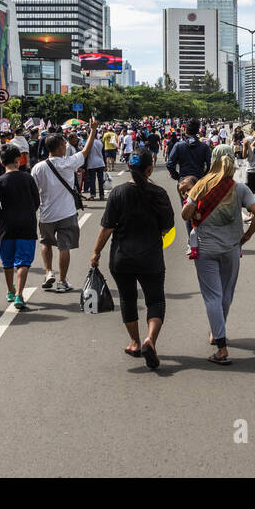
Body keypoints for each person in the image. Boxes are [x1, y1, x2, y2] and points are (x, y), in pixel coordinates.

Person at [92, 148, 176, 370]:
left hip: (122, 257)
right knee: (155, 300)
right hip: (151, 257)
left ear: (129, 167)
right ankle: (151, 340)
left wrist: (96, 252)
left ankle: (135, 343)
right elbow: (168, 225)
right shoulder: (158, 193)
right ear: (150, 169)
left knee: (128, 300)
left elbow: (107, 227)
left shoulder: (118, 193)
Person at [182, 143, 255, 366]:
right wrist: (246, 237)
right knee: (226, 293)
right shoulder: (239, 189)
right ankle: (217, 332)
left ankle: (221, 346)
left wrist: (195, 208)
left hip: (206, 249)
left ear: (214, 161)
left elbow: (184, 214)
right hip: (231, 249)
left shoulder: (201, 185)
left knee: (212, 297)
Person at [31, 118, 98, 294]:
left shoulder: (38, 168)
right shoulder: (69, 162)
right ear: (60, 147)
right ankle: (62, 281)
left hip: (46, 213)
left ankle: (48, 272)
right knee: (64, 247)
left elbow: (33, 190)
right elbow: (85, 151)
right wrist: (92, 130)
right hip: (67, 213)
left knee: (45, 242)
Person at [0, 144, 40, 310]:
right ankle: (19, 294)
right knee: (24, 261)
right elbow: (36, 202)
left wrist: (4, 218)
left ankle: (10, 290)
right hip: (27, 224)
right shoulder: (28, 178)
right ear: (19, 159)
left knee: (7, 260)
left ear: (1, 160)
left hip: (7, 226)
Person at [83, 130, 107, 200]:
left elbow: (86, 154)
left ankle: (92, 195)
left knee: (92, 180)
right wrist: (105, 164)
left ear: (89, 133)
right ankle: (101, 195)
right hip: (100, 162)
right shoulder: (100, 142)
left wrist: (84, 165)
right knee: (100, 180)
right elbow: (103, 154)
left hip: (91, 163)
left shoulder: (88, 143)